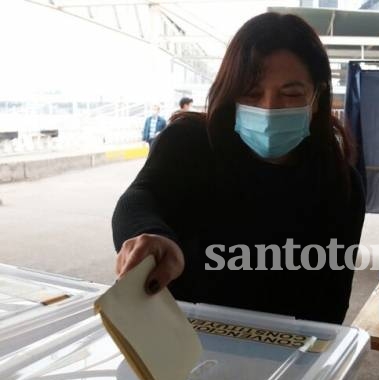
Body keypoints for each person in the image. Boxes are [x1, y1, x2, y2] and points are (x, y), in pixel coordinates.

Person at [113, 13, 365, 324]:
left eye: (291, 94)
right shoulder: (189, 144)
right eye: (252, 93)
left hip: (278, 357)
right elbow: (139, 198)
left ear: (317, 98)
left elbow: (328, 307)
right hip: (176, 342)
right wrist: (148, 235)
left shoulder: (340, 185)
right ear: (231, 93)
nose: (269, 108)